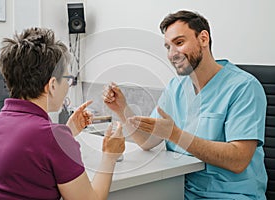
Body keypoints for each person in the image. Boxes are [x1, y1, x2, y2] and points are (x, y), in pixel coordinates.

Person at [103, 10, 267, 199]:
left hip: (232, 195)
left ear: (203, 39)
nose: (172, 54)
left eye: (179, 43)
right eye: (168, 47)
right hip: (182, 191)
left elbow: (238, 160)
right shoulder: (176, 87)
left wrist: (175, 135)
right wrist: (122, 109)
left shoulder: (244, 87)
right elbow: (147, 141)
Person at [0, 27, 125, 200]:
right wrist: (110, 156)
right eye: (68, 79)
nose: (69, 86)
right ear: (53, 85)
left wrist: (68, 132)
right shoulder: (53, 138)